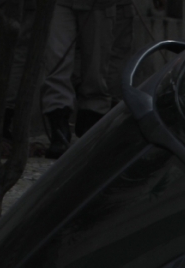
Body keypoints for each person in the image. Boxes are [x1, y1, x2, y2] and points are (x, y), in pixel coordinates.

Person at [42, 0, 119, 159]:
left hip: (99, 5)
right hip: (58, 3)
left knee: (96, 69)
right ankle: (59, 131)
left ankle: (91, 124)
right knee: (56, 63)